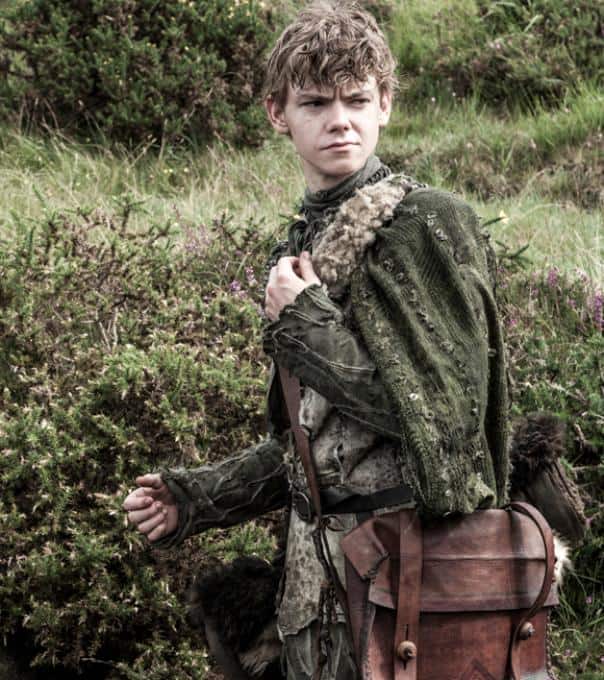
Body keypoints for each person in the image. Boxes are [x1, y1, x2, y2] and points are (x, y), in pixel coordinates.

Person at [123, 2, 510, 678]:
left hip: (411, 585)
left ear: (385, 104)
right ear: (278, 112)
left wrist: (307, 322)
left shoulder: (427, 224)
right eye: (316, 102)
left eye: (357, 100)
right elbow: (316, 448)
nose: (340, 120)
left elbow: (446, 423)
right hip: (314, 598)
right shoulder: (302, 243)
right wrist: (196, 498)